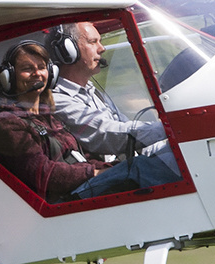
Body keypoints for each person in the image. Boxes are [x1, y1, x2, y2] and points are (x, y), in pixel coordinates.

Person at [48, 21, 184, 198]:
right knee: (145, 166)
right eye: (92, 42)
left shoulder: (92, 91)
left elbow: (125, 127)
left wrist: (173, 139)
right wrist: (171, 127)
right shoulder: (57, 99)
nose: (102, 48)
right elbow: (107, 135)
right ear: (68, 51)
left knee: (173, 153)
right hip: (91, 184)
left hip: (120, 167)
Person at [0, 40, 105, 203]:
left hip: (80, 191)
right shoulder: (7, 124)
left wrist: (106, 168)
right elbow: (46, 175)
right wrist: (92, 172)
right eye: (27, 69)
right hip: (60, 204)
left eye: (41, 68)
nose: (37, 73)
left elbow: (80, 155)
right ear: (9, 77)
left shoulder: (49, 117)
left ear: (51, 73)